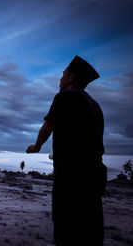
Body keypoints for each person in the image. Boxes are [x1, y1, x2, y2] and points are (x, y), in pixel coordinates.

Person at [26, 55, 107, 246]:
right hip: (94, 178)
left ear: (71, 78)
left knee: (66, 231)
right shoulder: (96, 105)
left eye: (63, 75)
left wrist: (36, 146)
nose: (60, 79)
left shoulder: (65, 96)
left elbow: (48, 126)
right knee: (91, 233)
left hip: (71, 178)